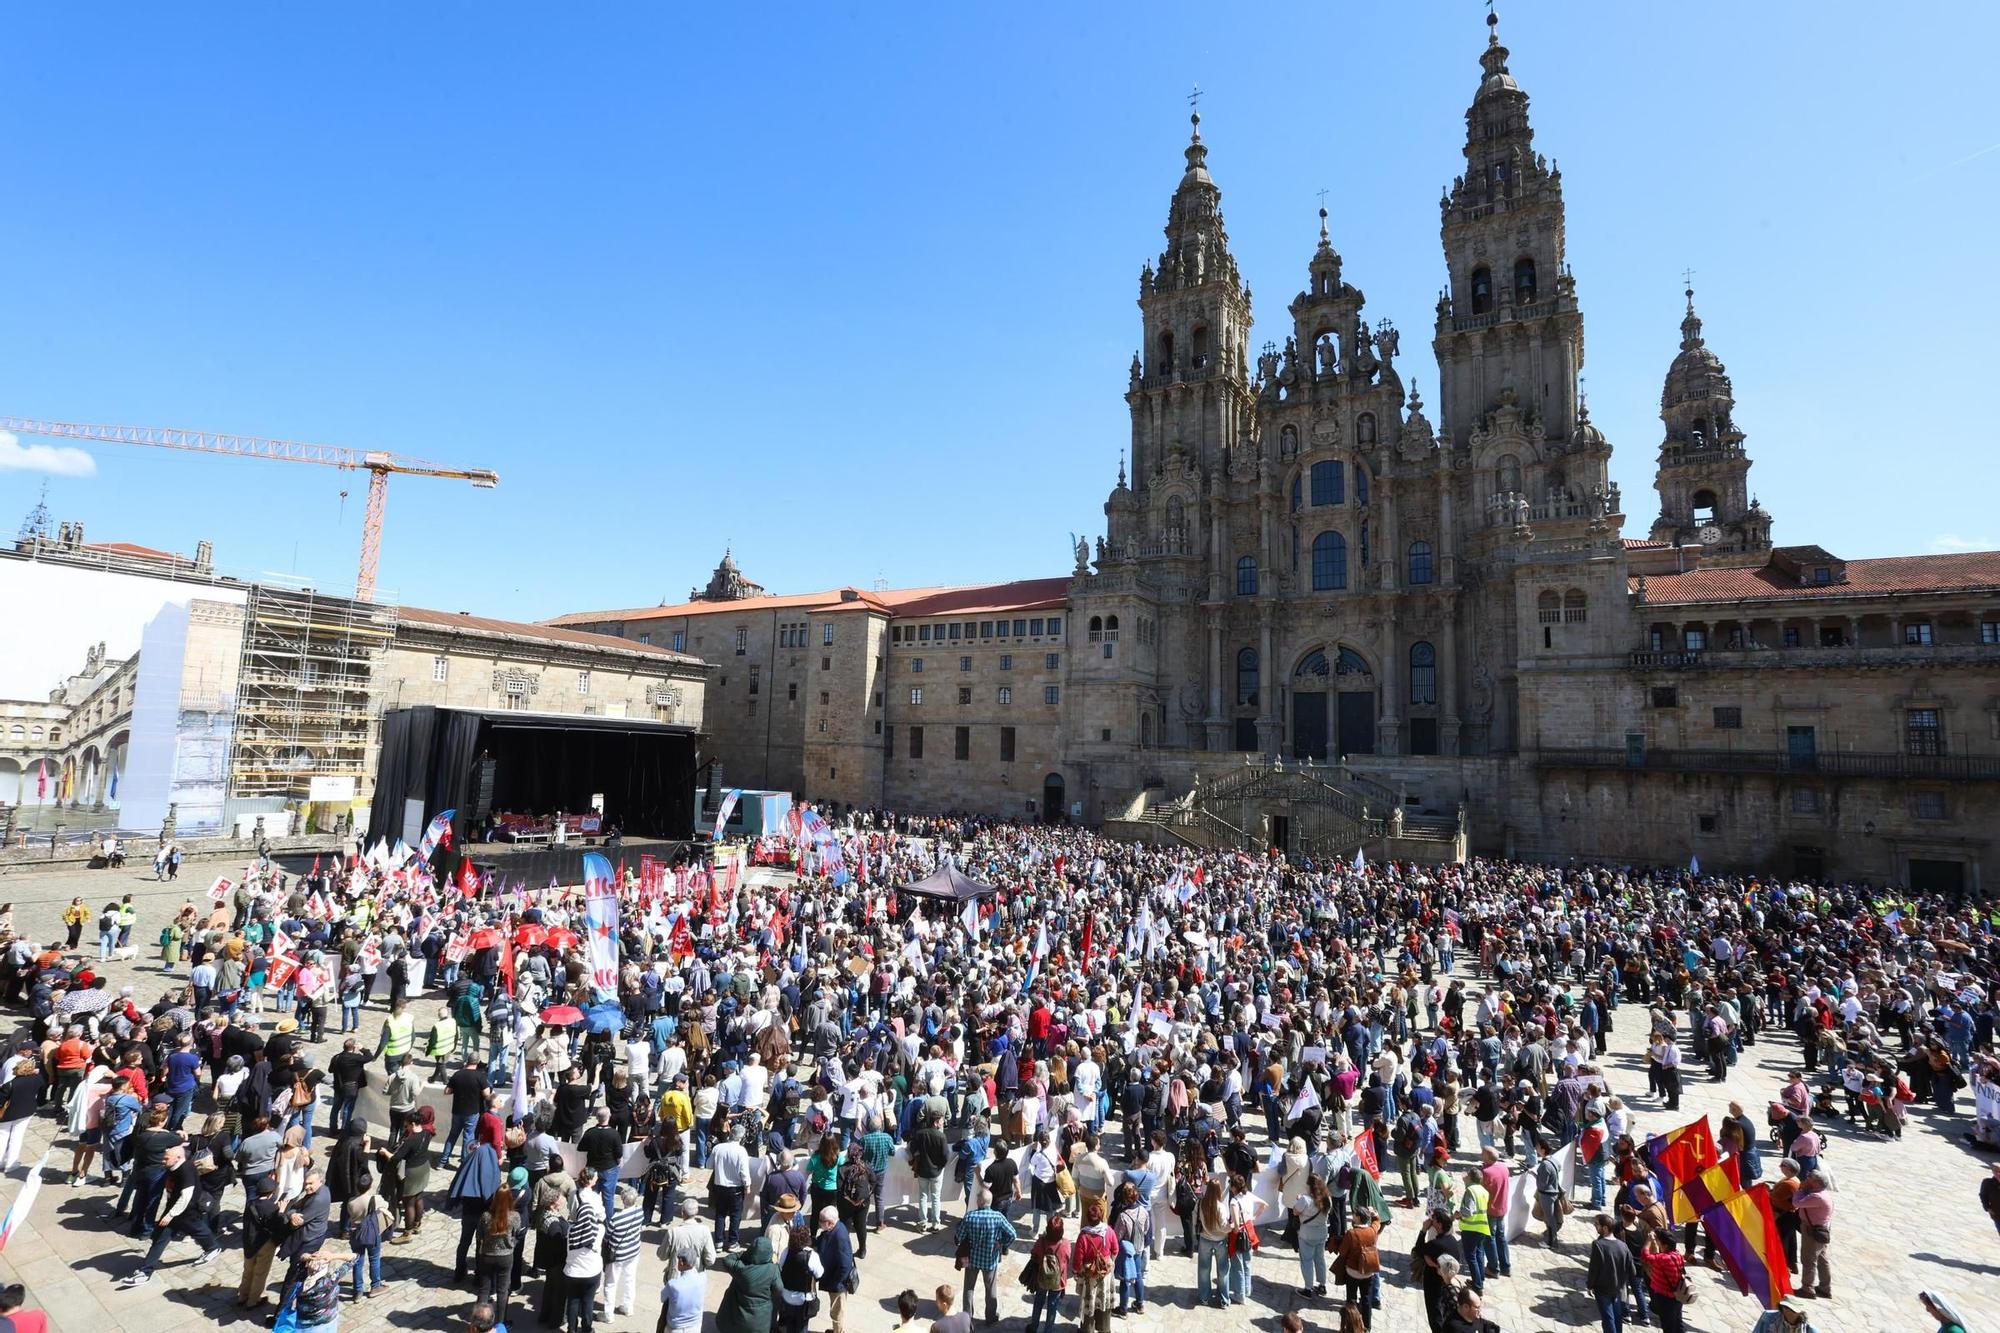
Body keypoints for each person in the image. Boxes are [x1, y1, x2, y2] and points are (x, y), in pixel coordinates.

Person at [475, 1170, 527, 1327]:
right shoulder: (514, 1217)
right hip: (505, 1256)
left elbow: (479, 1236)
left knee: (484, 1290)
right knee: (503, 1291)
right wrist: (512, 1243)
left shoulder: (485, 1216)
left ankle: (479, 1324)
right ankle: (501, 1323)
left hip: (487, 1255)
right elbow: (516, 1235)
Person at [954, 1188, 1014, 1325]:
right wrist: (1001, 1243)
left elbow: (959, 1236)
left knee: (969, 1288)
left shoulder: (969, 1217)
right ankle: (991, 1317)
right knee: (990, 1289)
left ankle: (967, 1317)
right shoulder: (998, 1217)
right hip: (990, 1260)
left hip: (972, 1260)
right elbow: (1012, 1234)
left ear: (980, 1202)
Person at [562, 1167, 607, 1333]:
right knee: (588, 1302)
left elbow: (571, 1211)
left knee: (573, 1301)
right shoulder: (599, 1230)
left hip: (572, 1272)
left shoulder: (569, 1231)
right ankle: (587, 1328)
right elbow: (602, 1217)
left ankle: (571, 1329)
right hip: (591, 1272)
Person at [714, 1235, 782, 1333]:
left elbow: (726, 1260)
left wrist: (744, 1254)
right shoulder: (773, 1270)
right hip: (759, 1322)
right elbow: (779, 1289)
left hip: (736, 1320)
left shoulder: (741, 1268)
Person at [1070, 1196, 1118, 1333]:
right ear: (1101, 1216)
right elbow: (1115, 1250)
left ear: (1088, 1218)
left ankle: (1087, 1329)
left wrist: (1077, 1272)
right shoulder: (1109, 1231)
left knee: (1089, 1303)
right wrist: (1109, 1263)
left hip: (1090, 1275)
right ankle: (1104, 1328)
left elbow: (1078, 1259)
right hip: (1105, 1275)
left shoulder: (1084, 1235)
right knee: (1104, 1302)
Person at [1586, 1213, 1637, 1333]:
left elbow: (1594, 1268)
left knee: (1608, 1318)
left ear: (1605, 1228)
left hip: (1603, 1288)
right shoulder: (1623, 1246)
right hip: (1618, 1288)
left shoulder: (1598, 1245)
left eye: (1597, 1224)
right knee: (1617, 1317)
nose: (1595, 1226)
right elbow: (1632, 1270)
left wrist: (1590, 1285)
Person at [1334, 1206, 1381, 1331]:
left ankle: (1351, 1327)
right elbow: (1377, 1222)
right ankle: (1367, 1327)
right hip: (1368, 1272)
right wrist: (1374, 1214)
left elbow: (1342, 1251)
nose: (1353, 1216)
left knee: (1351, 1300)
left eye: (1354, 1215)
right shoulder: (1372, 1231)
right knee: (1366, 1299)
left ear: (1359, 1218)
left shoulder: (1352, 1234)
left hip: (1353, 1272)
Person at [814, 1205, 857, 1333]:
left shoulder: (840, 1236)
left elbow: (845, 1265)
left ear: (830, 1223)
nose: (819, 1223)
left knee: (837, 1312)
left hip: (838, 1285)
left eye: (821, 1221)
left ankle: (838, 1330)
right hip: (834, 1280)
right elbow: (821, 1241)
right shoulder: (832, 1229)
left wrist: (835, 1283)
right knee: (836, 1311)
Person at [1023, 1215, 1069, 1333]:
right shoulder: (1065, 1244)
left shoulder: (1041, 1242)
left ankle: (1033, 1327)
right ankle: (1048, 1330)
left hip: (1041, 1278)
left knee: (1038, 1302)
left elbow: (1034, 1254)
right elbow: (1067, 1259)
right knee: (1052, 1306)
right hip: (1058, 1282)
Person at [1639, 1225, 1688, 1333]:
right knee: (1678, 1323)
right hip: (1677, 1295)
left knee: (1668, 1326)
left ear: (1665, 1245)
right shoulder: (1677, 1255)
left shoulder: (1662, 1259)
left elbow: (1645, 1256)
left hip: (1665, 1298)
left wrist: (1649, 1241)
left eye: (1658, 1241)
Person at [661, 1252, 709, 1333]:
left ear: (681, 1262)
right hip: (695, 1327)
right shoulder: (703, 1277)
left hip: (676, 1328)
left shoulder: (673, 1284)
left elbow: (662, 1298)